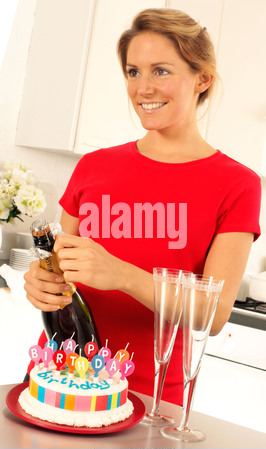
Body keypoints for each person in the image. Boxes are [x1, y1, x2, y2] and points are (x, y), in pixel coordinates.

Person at [24, 8, 261, 405]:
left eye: (161, 71)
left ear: (202, 78)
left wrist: (122, 274)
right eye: (133, 72)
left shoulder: (237, 184)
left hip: (152, 396)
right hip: (58, 378)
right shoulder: (93, 166)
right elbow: (61, 271)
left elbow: (214, 313)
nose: (143, 88)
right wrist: (42, 283)